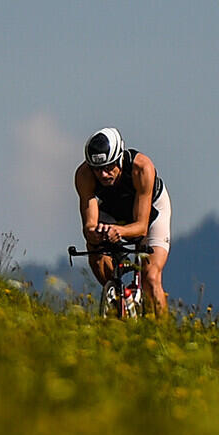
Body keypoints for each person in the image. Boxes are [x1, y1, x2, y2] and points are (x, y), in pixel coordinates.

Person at [74, 127, 171, 315]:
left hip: (151, 212)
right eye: (97, 170)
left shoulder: (142, 168)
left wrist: (118, 231)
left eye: (109, 167)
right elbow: (89, 226)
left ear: (119, 158)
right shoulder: (84, 175)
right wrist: (95, 234)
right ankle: (119, 302)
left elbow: (141, 227)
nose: (103, 175)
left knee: (150, 278)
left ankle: (163, 336)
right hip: (112, 210)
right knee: (94, 250)